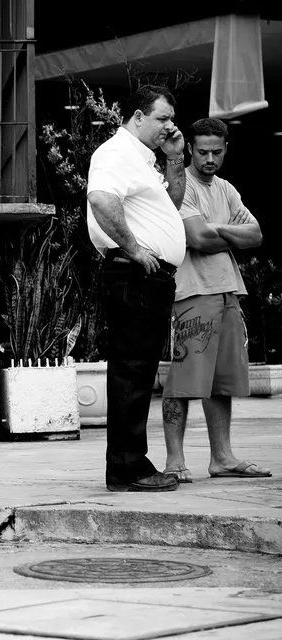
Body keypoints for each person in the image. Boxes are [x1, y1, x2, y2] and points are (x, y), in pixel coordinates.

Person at [86, 85, 187, 492]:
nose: (169, 126)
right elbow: (100, 200)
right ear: (137, 116)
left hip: (147, 273)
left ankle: (129, 464)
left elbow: (172, 207)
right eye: (162, 118)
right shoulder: (116, 152)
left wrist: (176, 159)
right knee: (132, 370)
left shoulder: (144, 160)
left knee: (140, 372)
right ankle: (129, 467)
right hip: (134, 271)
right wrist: (135, 250)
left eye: (171, 119)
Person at [161, 118, 270, 482]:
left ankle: (221, 458)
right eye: (203, 151)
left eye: (217, 151)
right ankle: (175, 461)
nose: (210, 158)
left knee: (222, 381)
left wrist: (218, 230)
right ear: (190, 148)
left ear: (226, 149)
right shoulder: (181, 186)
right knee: (184, 380)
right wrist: (228, 234)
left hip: (227, 290)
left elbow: (255, 235)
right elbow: (197, 239)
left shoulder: (225, 189)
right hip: (192, 291)